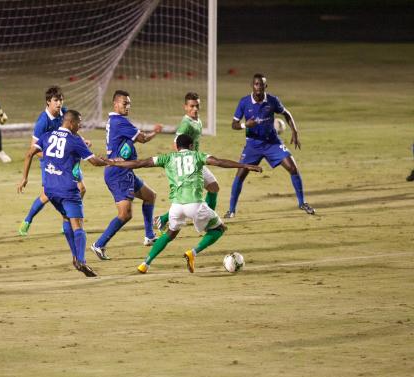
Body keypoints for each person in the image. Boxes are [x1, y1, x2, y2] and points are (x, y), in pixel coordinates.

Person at [108, 134, 262, 274]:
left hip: (176, 207)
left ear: (177, 147)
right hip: (194, 205)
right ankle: (192, 253)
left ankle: (145, 263)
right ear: (191, 146)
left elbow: (140, 163)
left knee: (170, 234)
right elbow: (219, 162)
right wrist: (245, 166)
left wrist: (115, 163)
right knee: (220, 229)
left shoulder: (167, 158)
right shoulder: (197, 156)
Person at [17, 110, 107, 277]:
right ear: (71, 123)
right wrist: (109, 161)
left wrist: (24, 178)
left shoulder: (47, 136)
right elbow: (94, 162)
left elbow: (29, 153)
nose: (80, 126)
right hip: (67, 189)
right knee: (78, 225)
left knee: (66, 218)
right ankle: (81, 260)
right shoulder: (75, 140)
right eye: (79, 123)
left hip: (50, 189)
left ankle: (75, 257)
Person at [225, 73, 314, 218]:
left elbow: (286, 113)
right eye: (256, 84)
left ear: (266, 86)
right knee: (240, 174)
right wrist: (244, 125)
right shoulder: (244, 102)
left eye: (261, 84)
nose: (259, 87)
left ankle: (302, 202)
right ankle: (231, 210)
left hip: (272, 142)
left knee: (293, 168)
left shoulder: (272, 101)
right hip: (253, 145)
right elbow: (233, 124)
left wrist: (295, 131)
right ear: (252, 86)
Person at [90, 90, 162, 261]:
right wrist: (155, 132)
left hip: (124, 170)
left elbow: (133, 138)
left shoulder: (114, 120)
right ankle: (99, 244)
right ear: (115, 104)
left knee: (150, 196)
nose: (128, 106)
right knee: (125, 215)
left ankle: (149, 236)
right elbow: (142, 138)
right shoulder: (119, 121)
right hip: (118, 173)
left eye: (129, 103)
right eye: (124, 103)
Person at [18, 86, 90, 236]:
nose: (59, 104)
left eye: (61, 100)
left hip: (68, 162)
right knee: (47, 195)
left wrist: (82, 141)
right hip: (50, 162)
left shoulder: (64, 113)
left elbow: (72, 130)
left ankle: (67, 220)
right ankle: (28, 220)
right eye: (56, 100)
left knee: (81, 189)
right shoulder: (42, 122)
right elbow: (33, 149)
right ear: (48, 102)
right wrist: (54, 156)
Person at [154, 92, 219, 231]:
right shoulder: (186, 124)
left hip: (196, 161)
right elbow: (175, 142)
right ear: (185, 107)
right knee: (196, 196)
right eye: (191, 106)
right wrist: (182, 163)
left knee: (213, 187)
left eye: (197, 106)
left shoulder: (198, 121)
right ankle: (208, 222)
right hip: (189, 163)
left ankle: (164, 218)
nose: (195, 109)